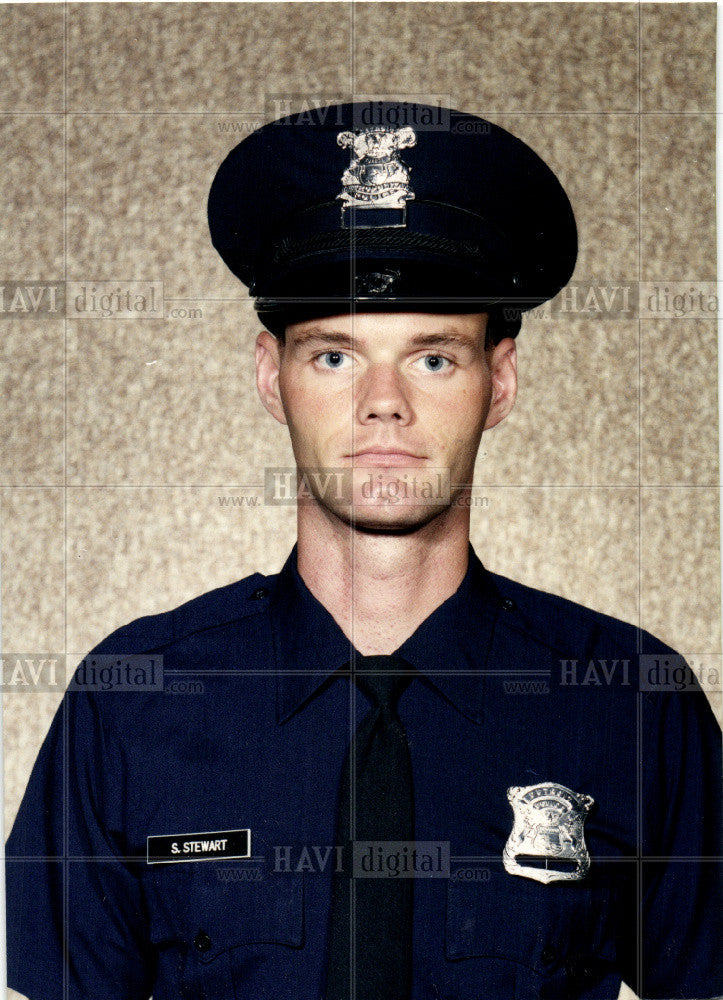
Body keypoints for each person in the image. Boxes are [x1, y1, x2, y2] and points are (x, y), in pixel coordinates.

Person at [5, 101, 721, 1000]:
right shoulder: (133, 702)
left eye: (432, 358)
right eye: (335, 357)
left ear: (498, 382)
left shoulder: (631, 706)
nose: (384, 403)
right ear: (272, 377)